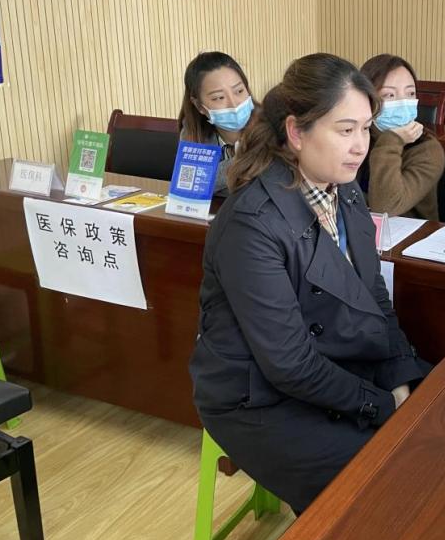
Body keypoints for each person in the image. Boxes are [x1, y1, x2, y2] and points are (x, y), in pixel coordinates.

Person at [189, 53, 431, 515]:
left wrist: (400, 376)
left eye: (366, 129)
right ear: (297, 133)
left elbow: (374, 296)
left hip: (330, 364)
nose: (360, 146)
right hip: (257, 398)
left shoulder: (346, 189)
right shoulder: (251, 223)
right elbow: (289, 364)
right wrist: (382, 405)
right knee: (381, 483)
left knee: (439, 415)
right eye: (345, 130)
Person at [357, 54, 445, 219]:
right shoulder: (359, 138)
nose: (404, 103)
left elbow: (385, 207)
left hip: (414, 233)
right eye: (390, 95)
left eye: (410, 93)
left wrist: (391, 140)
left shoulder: (428, 149)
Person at [178, 51, 257, 196]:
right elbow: (190, 184)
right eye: (219, 98)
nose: (233, 104)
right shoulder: (194, 129)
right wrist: (245, 162)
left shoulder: (270, 124)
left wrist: (212, 176)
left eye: (239, 91)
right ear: (199, 106)